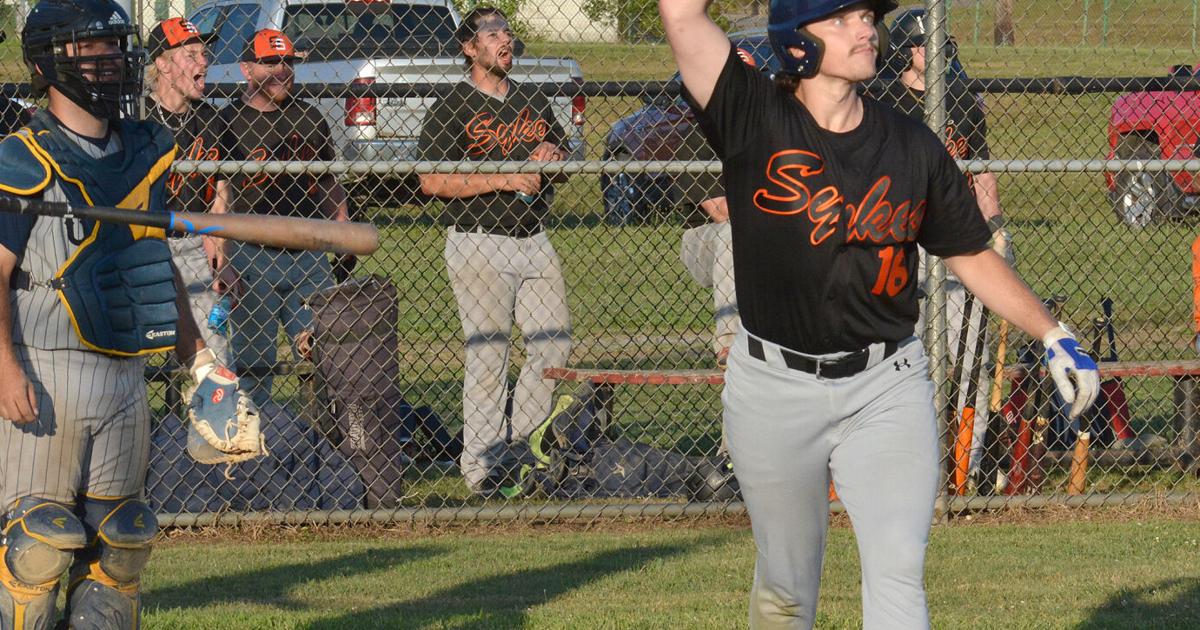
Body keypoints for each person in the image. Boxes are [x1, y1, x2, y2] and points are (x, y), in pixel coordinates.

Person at [658, 0, 1101, 627]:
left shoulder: (909, 142)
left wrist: (1053, 333)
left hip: (886, 384)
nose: (866, 27)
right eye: (840, 18)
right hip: (773, 387)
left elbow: (970, 253)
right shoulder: (751, 114)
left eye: (866, 14)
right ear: (795, 42)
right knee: (785, 586)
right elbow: (679, 15)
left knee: (898, 573)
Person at [0, 0, 229, 626]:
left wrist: (203, 366)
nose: (111, 61)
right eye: (92, 49)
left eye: (114, 47)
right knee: (35, 552)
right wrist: (4, 366)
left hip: (123, 375)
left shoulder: (145, 151)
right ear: (51, 62)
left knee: (121, 547)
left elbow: (155, 264)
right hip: (45, 373)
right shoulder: (20, 157)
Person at [417, 6, 572, 495]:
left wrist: (554, 155)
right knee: (489, 355)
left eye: (507, 32)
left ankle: (517, 447)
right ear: (470, 48)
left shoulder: (534, 100)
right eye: (492, 34)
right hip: (478, 240)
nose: (504, 40)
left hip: (535, 239)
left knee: (554, 344)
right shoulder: (452, 106)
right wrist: (503, 178)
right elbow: (431, 180)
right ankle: (481, 467)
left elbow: (566, 158)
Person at [870, 7, 1011, 482]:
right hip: (901, 241)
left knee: (971, 359)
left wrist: (996, 226)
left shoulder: (962, 101)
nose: (932, 52)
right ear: (907, 49)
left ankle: (963, 472)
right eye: (923, 44)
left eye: (940, 44)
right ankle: (913, 472)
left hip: (954, 239)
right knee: (910, 361)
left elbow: (980, 170)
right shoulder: (884, 102)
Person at [220, 28, 350, 408]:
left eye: (288, 62)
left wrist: (341, 225)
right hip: (251, 257)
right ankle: (247, 452)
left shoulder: (308, 115)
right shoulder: (228, 122)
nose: (282, 69)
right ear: (246, 69)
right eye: (271, 62)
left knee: (323, 358)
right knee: (252, 367)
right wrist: (223, 256)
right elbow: (220, 197)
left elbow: (327, 181)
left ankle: (322, 449)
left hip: (309, 255)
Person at [145, 16, 234, 364]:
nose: (204, 62)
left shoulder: (211, 119)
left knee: (216, 352)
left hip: (195, 245)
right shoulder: (139, 119)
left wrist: (221, 253)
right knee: (135, 357)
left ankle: (215, 415)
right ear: (163, 65)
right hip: (148, 245)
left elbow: (221, 190)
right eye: (191, 55)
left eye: (204, 54)